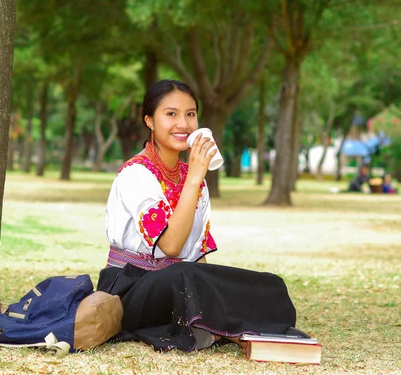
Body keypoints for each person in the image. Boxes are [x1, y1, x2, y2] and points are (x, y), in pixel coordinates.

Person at [97, 80, 298, 352]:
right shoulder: (136, 175)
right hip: (129, 288)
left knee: (268, 284)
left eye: (190, 114)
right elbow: (171, 246)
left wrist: (216, 287)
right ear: (150, 121)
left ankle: (211, 325)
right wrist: (194, 176)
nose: (183, 123)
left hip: (183, 281)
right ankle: (212, 326)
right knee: (183, 275)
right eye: (171, 114)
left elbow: (198, 257)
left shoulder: (195, 180)